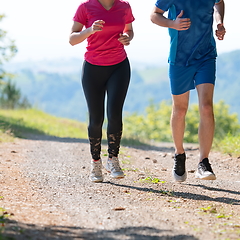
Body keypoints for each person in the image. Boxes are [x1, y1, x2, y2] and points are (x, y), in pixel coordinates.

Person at [150, 0, 226, 182]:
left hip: (206, 56)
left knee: (206, 107)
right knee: (180, 109)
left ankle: (203, 162)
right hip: (179, 58)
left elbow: (219, 3)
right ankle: (179, 154)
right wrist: (172, 24)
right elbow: (154, 15)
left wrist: (219, 22)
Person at [69, 0, 135, 182]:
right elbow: (72, 39)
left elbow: (129, 30)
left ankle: (113, 159)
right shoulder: (85, 7)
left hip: (119, 66)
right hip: (93, 68)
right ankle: (96, 162)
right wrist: (89, 30)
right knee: (96, 119)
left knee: (115, 114)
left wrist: (127, 38)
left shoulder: (124, 6)